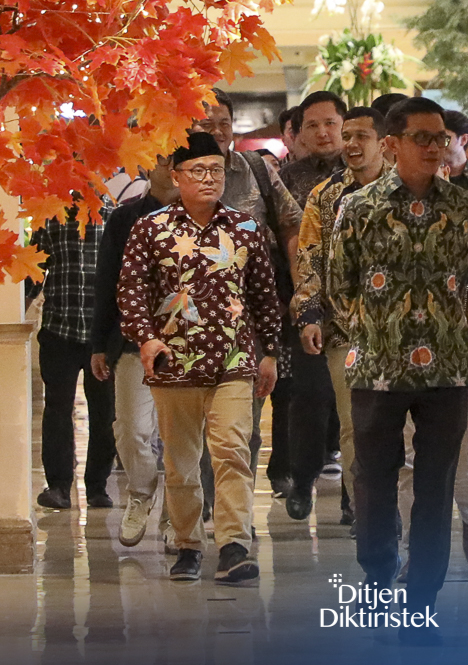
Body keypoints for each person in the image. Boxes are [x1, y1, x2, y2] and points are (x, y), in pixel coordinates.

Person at [329, 97, 468, 646]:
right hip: (378, 368)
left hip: (447, 370)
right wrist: (374, 330)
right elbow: (339, 284)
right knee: (373, 479)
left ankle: (421, 601)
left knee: (435, 487)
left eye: (440, 138)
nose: (434, 147)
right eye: (422, 138)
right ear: (392, 145)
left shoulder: (465, 208)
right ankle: (378, 575)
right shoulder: (358, 208)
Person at [118, 132, 283, 583]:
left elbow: (264, 295)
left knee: (232, 452)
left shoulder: (244, 228)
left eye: (215, 170)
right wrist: (146, 339)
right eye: (198, 171)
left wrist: (270, 352)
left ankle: (234, 546)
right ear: (176, 177)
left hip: (234, 360)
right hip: (174, 363)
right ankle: (188, 544)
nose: (209, 179)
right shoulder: (150, 229)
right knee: (181, 462)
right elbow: (131, 291)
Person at [193, 89, 304, 501]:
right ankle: (200, 506)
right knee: (193, 427)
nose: (218, 132)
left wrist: (299, 284)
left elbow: (292, 223)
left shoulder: (255, 169)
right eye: (208, 124)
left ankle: (234, 513)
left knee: (245, 425)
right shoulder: (174, 173)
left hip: (250, 319)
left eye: (224, 123)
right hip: (188, 321)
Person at [288, 107, 389, 527]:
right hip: (345, 329)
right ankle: (366, 510)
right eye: (347, 136)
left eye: (361, 136)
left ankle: (397, 507)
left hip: (404, 329)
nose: (350, 144)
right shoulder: (325, 196)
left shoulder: (407, 189)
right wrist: (309, 314)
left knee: (396, 428)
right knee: (353, 424)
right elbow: (309, 258)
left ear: (384, 143)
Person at [90, 155, 178, 548]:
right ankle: (141, 493)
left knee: (180, 436)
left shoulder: (204, 217)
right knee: (131, 429)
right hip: (132, 342)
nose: (169, 167)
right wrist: (99, 343)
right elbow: (106, 281)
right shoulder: (125, 219)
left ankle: (177, 514)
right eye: (162, 159)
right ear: (145, 166)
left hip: (189, 343)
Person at [29, 206, 117, 511]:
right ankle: (58, 486)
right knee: (57, 410)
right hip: (59, 330)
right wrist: (16, 309)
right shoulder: (49, 218)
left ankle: (98, 487)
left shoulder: (113, 218)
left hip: (102, 335)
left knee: (105, 413)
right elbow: (34, 269)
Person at [279, 92, 347, 209]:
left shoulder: (366, 168)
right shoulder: (286, 178)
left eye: (330, 123)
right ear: (301, 133)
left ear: (346, 125)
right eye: (312, 125)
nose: (321, 133)